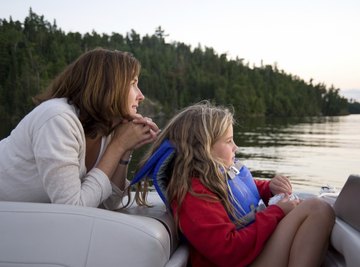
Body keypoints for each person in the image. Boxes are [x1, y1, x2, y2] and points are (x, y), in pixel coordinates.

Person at [135, 101, 335, 267]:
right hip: (241, 261)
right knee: (317, 209)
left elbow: (246, 190)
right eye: (229, 141)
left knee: (316, 208)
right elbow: (228, 251)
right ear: (203, 148)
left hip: (254, 254)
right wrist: (277, 212)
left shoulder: (218, 176)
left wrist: (269, 189)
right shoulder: (193, 194)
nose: (236, 147)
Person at [0, 47, 160, 209]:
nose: (141, 95)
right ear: (108, 86)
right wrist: (118, 146)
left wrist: (126, 148)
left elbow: (110, 203)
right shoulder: (58, 119)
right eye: (133, 83)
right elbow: (74, 209)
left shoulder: (107, 127)